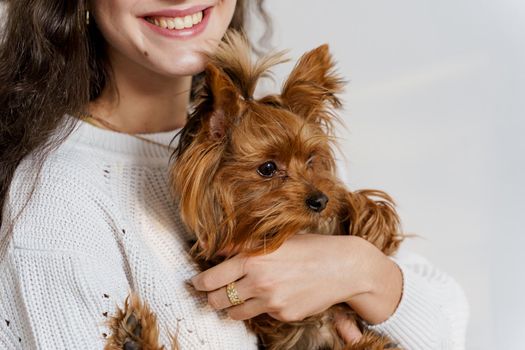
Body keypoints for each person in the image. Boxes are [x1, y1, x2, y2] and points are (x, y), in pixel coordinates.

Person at [0, 1, 468, 349]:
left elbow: (448, 328)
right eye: (268, 172)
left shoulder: (286, 141)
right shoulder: (56, 201)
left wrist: (363, 272)